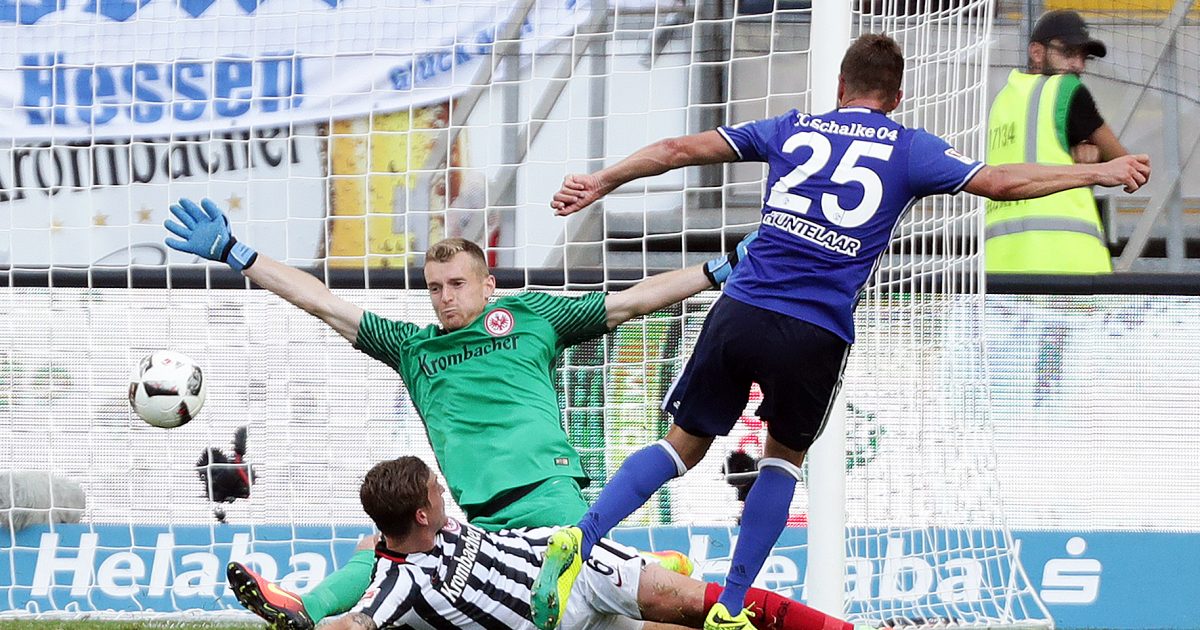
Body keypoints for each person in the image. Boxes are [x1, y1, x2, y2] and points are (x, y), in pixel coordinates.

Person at [528, 33, 1150, 630]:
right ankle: (731, 605)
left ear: (839, 87)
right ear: (897, 98)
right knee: (781, 462)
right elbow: (1002, 183)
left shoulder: (792, 127)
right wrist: (1098, 172)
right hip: (815, 329)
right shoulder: (909, 148)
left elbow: (674, 149)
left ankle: (579, 537)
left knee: (680, 447)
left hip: (741, 308)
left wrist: (603, 181)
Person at [163, 200, 752, 629]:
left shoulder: (532, 317)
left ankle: (667, 573)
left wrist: (716, 271)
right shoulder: (412, 348)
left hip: (551, 505)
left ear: (488, 284)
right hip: (476, 525)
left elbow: (629, 302)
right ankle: (302, 608)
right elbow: (322, 302)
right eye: (434, 288)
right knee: (388, 553)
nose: (445, 297)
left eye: (456, 284)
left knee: (624, 618)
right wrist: (238, 255)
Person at [228, 455, 874, 630]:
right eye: (435, 491)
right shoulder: (399, 582)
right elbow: (359, 621)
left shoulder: (420, 530)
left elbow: (379, 541)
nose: (444, 492)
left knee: (697, 605)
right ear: (422, 514)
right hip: (562, 622)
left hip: (570, 567)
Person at [985, 9, 1129, 273]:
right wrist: (1096, 160)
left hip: (1002, 265)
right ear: (1036, 52)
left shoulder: (1002, 101)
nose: (1078, 65)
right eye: (1069, 52)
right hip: (1066, 263)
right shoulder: (1064, 89)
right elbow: (1128, 167)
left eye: (1083, 57)